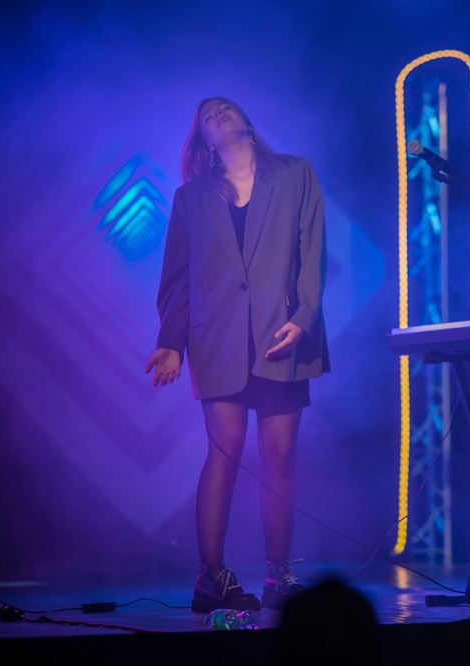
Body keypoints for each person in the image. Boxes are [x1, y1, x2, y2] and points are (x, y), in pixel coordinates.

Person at [145, 97, 329, 612]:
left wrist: (303, 318)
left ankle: (278, 576)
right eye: (207, 116)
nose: (217, 114)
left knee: (280, 456)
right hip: (216, 338)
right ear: (202, 140)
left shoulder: (295, 173)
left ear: (247, 120)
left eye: (225, 107)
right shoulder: (191, 198)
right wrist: (170, 342)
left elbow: (313, 250)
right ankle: (210, 578)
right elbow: (178, 278)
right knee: (224, 450)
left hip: (282, 334)